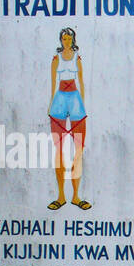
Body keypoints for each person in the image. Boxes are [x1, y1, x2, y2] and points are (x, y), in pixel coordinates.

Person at [48, 27, 89, 210]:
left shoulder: (77, 58)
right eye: (64, 38)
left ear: (73, 39)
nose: (66, 41)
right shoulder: (56, 59)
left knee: (78, 148)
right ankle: (61, 196)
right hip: (59, 101)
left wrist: (83, 102)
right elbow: (52, 82)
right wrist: (50, 103)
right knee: (59, 150)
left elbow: (81, 80)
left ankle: (75, 196)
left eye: (69, 38)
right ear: (60, 40)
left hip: (75, 100)